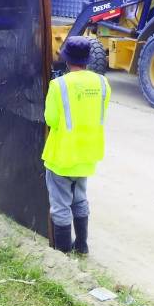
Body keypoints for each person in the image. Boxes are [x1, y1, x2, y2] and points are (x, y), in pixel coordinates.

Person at [42, 36, 111, 254]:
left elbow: (50, 119)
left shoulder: (58, 85)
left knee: (61, 203)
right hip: (88, 154)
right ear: (87, 59)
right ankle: (82, 245)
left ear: (66, 59)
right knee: (79, 197)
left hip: (62, 156)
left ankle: (63, 252)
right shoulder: (102, 83)